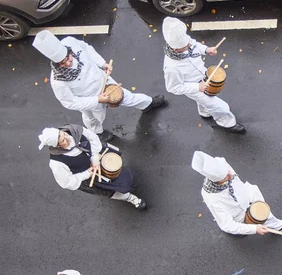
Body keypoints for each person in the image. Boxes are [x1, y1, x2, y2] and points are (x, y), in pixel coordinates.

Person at [32, 30, 166, 143]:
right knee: (93, 118)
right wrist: (97, 100)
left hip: (104, 81)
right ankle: (98, 133)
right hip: (90, 99)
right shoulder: (58, 82)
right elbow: (70, 103)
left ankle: (147, 103)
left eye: (68, 57)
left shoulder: (70, 42)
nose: (68, 62)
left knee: (127, 96)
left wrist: (102, 64)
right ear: (55, 63)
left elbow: (87, 49)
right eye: (63, 62)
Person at [162, 17, 245, 134]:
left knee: (205, 103)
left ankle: (204, 112)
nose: (189, 46)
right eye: (185, 46)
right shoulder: (171, 68)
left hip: (203, 76)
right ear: (175, 49)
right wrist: (197, 87)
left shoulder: (185, 42)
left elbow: (194, 45)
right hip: (194, 87)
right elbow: (173, 87)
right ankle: (227, 123)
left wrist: (206, 50)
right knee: (220, 107)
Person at [38, 125, 147, 209]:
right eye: (63, 141)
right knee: (109, 191)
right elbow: (66, 182)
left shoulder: (74, 130)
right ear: (57, 146)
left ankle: (125, 178)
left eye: (64, 134)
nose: (68, 138)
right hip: (89, 175)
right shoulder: (56, 163)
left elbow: (93, 138)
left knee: (117, 170)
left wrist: (94, 159)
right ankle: (130, 198)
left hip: (97, 155)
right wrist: (87, 173)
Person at [191, 151, 282, 236]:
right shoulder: (212, 198)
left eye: (228, 171)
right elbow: (227, 224)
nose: (230, 174)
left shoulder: (223, 167)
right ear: (217, 181)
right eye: (226, 176)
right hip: (237, 216)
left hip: (246, 197)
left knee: (264, 213)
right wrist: (254, 229)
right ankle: (240, 233)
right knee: (238, 230)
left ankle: (278, 226)